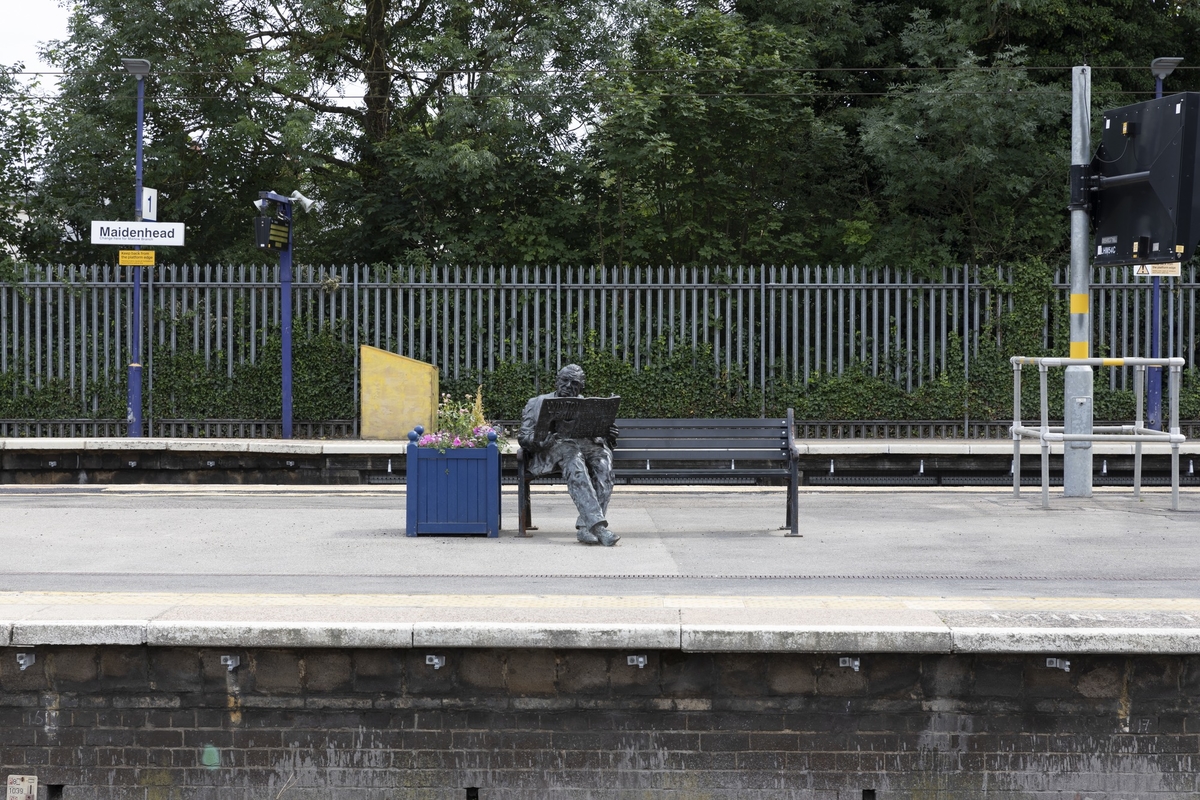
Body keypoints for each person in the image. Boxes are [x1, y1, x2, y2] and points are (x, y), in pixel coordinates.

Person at [518, 364, 620, 546]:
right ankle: (598, 529)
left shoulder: (588, 405)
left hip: (587, 447)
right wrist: (540, 441)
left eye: (574, 383)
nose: (568, 386)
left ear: (581, 387)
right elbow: (524, 437)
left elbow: (599, 436)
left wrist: (608, 434)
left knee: (604, 464)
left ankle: (584, 527)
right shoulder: (536, 403)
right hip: (553, 450)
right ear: (557, 381)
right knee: (573, 458)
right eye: (564, 381)